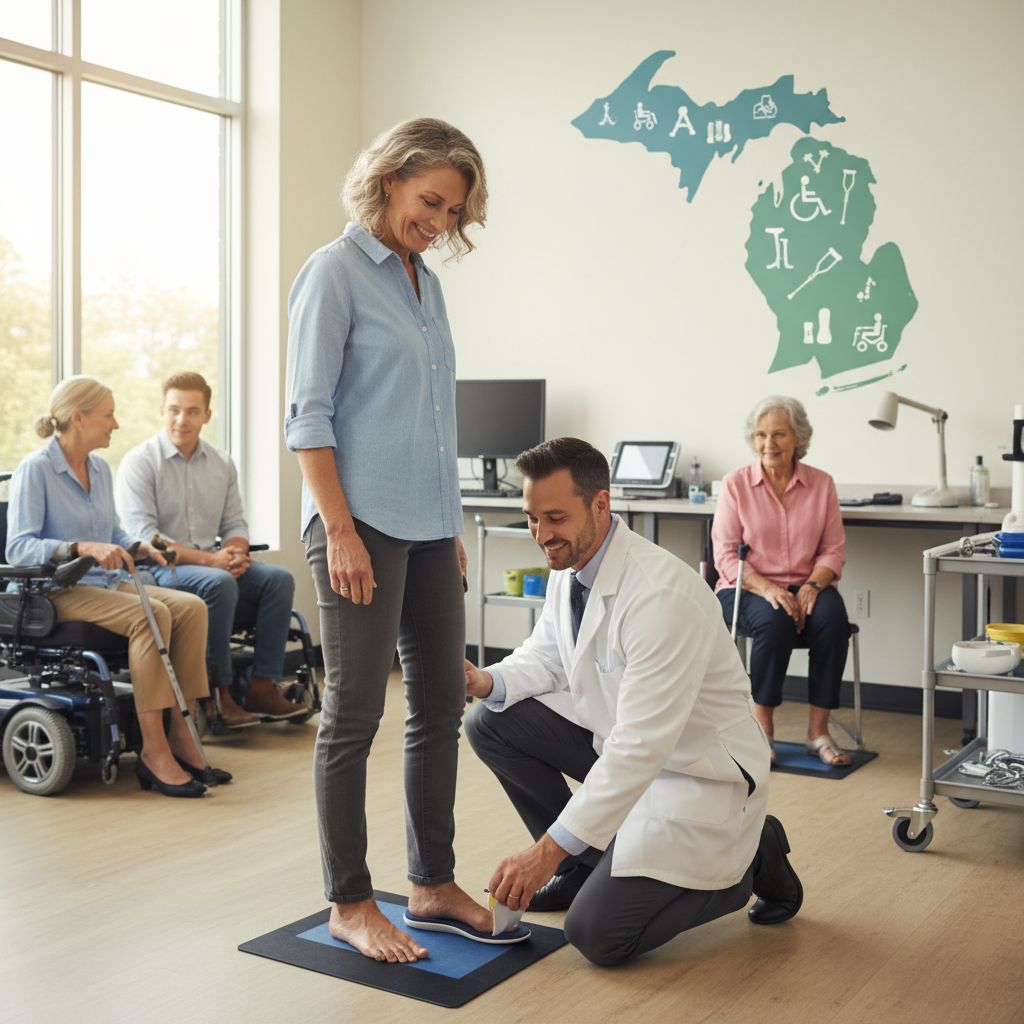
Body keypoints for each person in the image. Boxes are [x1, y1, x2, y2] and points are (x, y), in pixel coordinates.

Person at [464, 437, 803, 967]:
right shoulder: (572, 564)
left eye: (555, 517)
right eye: (532, 518)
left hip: (698, 773)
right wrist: (484, 680)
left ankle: (751, 862)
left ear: (601, 505)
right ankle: (585, 864)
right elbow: (549, 656)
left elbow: (640, 748)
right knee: (489, 721)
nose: (541, 535)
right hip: (631, 752)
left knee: (597, 935)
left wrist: (545, 850)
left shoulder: (660, 595)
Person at [284, 118, 496, 963]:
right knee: (354, 716)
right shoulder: (333, 274)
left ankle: (432, 884)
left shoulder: (424, 284)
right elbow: (309, 417)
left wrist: (447, 526)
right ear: (388, 180)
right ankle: (347, 900)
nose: (440, 222)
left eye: (453, 211)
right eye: (430, 201)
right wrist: (340, 529)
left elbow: (434, 420)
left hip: (427, 526)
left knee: (441, 705)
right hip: (359, 527)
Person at [6, 376, 230, 797]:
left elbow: (112, 532)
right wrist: (77, 546)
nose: (116, 424)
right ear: (79, 417)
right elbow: (19, 548)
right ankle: (154, 749)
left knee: (190, 607)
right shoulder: (35, 470)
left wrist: (139, 545)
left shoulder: (98, 468)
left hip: (104, 584)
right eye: (108, 415)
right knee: (153, 614)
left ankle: (183, 733)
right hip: (54, 593)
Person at [116, 372, 304, 727]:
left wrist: (234, 552)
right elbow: (145, 537)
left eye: (191, 411)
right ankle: (218, 694)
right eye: (174, 410)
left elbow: (235, 524)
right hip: (158, 569)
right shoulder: (139, 463)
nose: (181, 420)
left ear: (207, 415)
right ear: (161, 411)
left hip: (212, 564)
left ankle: (263, 686)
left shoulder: (221, 464)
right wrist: (213, 561)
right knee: (219, 583)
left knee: (278, 579)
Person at [712, 395, 851, 766]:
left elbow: (833, 550)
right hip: (745, 587)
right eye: (760, 435)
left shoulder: (822, 485)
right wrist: (769, 589)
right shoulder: (735, 484)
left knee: (833, 620)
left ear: (798, 438)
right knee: (774, 622)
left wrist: (813, 585)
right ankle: (762, 732)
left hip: (809, 585)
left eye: (778, 434)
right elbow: (725, 557)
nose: (768, 444)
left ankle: (817, 733)